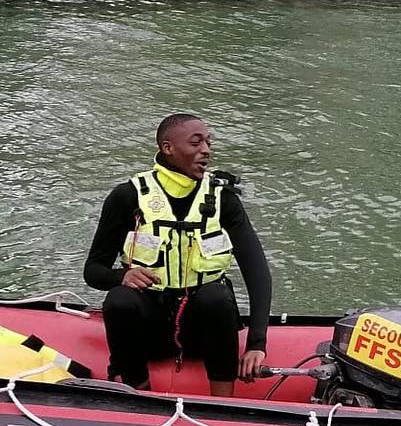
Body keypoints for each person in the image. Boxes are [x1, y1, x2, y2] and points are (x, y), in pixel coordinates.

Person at [83, 112, 271, 397]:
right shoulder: (127, 197)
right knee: (119, 300)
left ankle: (222, 406)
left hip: (202, 332)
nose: (206, 150)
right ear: (168, 148)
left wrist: (257, 343)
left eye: (208, 142)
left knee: (217, 296)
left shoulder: (224, 199)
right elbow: (93, 270)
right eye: (196, 143)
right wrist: (123, 276)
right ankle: (139, 393)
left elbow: (257, 272)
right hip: (151, 332)